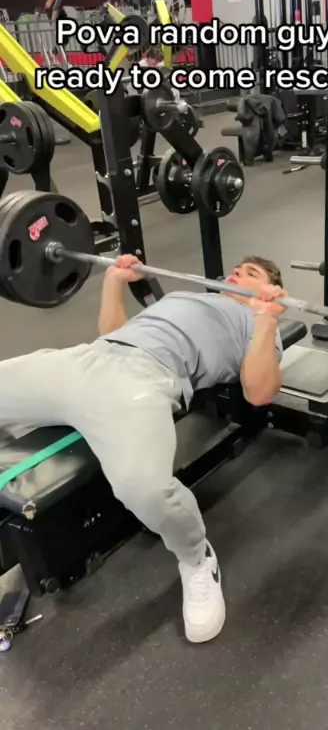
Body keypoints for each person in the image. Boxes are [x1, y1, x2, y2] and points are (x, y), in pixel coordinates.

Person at [0, 254, 286, 644]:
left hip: (143, 379)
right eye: (237, 268)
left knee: (145, 488)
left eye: (251, 273)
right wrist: (114, 282)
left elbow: (259, 392)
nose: (237, 272)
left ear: (270, 289)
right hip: (86, 358)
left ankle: (196, 559)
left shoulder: (257, 322)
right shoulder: (183, 298)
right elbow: (112, 332)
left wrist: (267, 320)